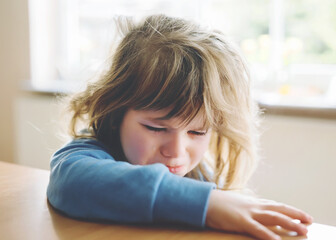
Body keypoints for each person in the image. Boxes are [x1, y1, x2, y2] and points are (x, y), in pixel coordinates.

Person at [47, 14, 313, 240]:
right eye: (156, 128)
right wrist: (208, 204)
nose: (176, 152)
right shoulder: (89, 153)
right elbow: (71, 183)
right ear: (116, 113)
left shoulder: (202, 175)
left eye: (197, 132)